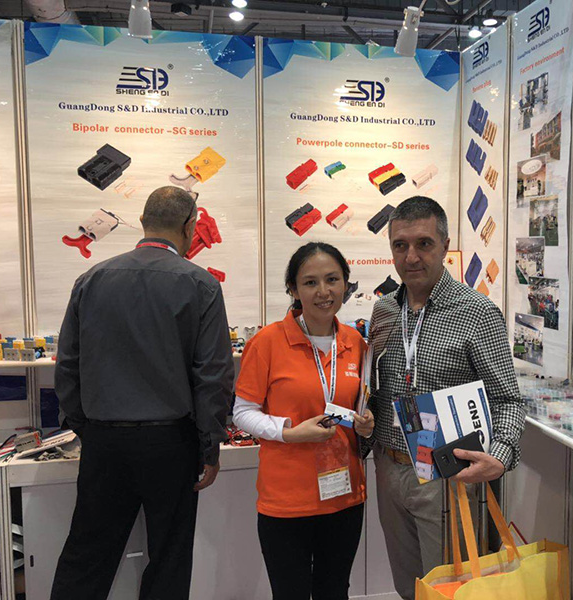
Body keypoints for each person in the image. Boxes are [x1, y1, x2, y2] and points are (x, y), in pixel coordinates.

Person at [51, 186, 235, 600]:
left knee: (87, 557)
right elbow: (213, 375)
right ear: (190, 227)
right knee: (169, 559)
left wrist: (85, 427)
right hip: (171, 443)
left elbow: (67, 365)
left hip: (104, 440)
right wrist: (210, 445)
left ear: (142, 222)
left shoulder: (91, 279)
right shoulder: (201, 284)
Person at [365, 196, 525, 600]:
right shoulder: (384, 311)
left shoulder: (477, 312)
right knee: (408, 586)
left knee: (452, 591)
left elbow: (508, 399)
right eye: (400, 245)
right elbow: (377, 387)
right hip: (390, 468)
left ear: (445, 246)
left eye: (424, 243)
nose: (411, 257)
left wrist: (500, 456)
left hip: (447, 476)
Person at [233, 242, 375, 600]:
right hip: (287, 500)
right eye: (310, 282)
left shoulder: (356, 342)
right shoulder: (267, 342)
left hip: (344, 497)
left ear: (345, 284)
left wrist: (365, 422)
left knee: (334, 591)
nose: (323, 291)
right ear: (294, 290)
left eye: (332, 279)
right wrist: (289, 433)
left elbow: (357, 404)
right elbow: (243, 412)